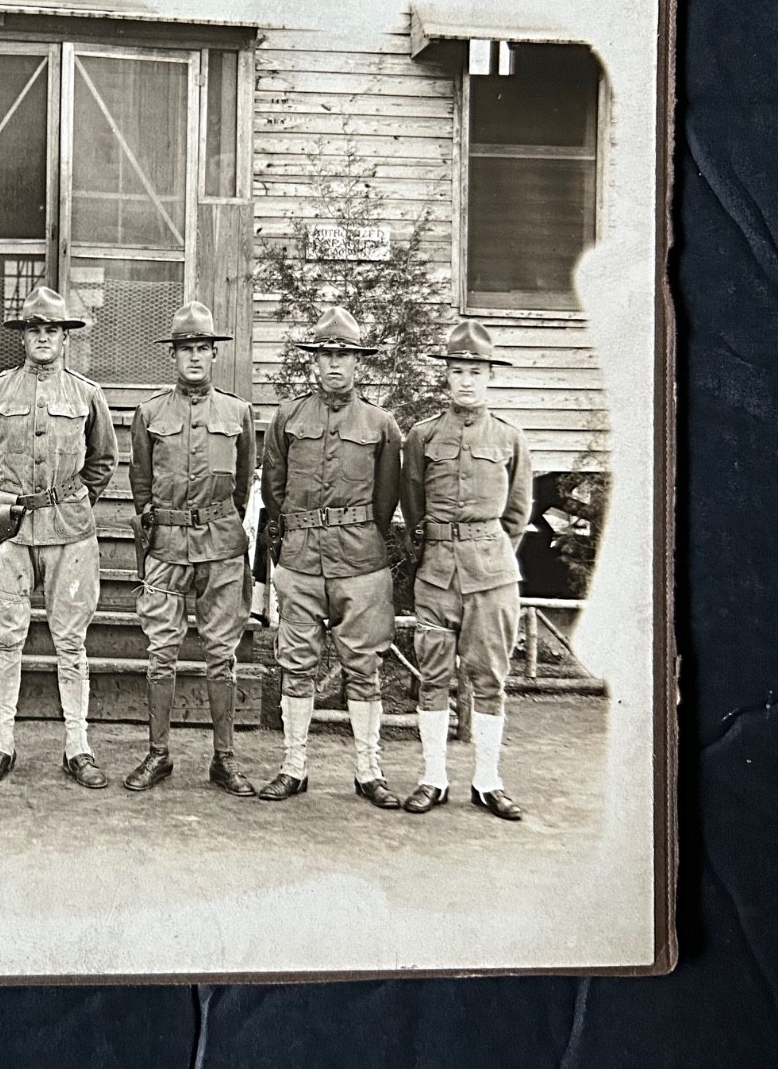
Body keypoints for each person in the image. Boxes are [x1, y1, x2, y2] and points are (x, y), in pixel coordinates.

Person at [0, 286, 117, 788]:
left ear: (65, 337)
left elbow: (102, 462)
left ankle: (78, 745)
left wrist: (67, 501)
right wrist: (11, 498)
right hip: (12, 532)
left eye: (51, 329)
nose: (43, 338)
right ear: (23, 336)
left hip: (70, 533)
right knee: (6, 638)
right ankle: (0, 742)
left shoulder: (86, 394)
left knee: (71, 642)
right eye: (34, 329)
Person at [259, 306, 403, 807]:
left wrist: (357, 534)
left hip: (361, 564)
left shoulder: (381, 424)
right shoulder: (289, 418)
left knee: (363, 667)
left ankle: (368, 771)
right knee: (296, 664)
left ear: (358, 362)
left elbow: (386, 501)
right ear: (314, 362)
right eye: (326, 354)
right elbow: (274, 490)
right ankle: (293, 766)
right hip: (300, 562)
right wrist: (292, 543)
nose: (334, 364)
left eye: (343, 355)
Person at [399, 320, 534, 821]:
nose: (467, 381)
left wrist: (486, 552)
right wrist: (441, 548)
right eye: (458, 371)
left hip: (492, 575)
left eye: (476, 372)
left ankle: (487, 781)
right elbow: (413, 507)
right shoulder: (423, 436)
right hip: (436, 575)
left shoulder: (510, 438)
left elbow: (516, 515)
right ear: (447, 376)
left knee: (490, 679)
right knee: (432, 676)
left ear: (489, 376)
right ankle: (433, 778)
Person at [123, 303, 257, 796]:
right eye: (186, 349)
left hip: (221, 549)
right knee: (161, 653)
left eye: (203, 348)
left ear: (214, 355)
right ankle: (158, 754)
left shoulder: (238, 413)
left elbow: (242, 484)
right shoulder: (150, 413)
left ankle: (225, 758)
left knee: (221, 653)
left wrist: (218, 523)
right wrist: (162, 524)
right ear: (173, 356)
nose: (195, 357)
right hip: (165, 548)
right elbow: (141, 484)